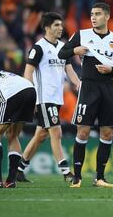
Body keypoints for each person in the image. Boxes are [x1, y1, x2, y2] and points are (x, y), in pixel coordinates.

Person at [58, 2, 113, 188]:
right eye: (91, 14)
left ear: (107, 16)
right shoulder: (82, 35)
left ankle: (100, 177)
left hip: (107, 88)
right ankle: (77, 177)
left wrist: (111, 69)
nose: (93, 17)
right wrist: (74, 50)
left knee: (107, 131)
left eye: (97, 14)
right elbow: (61, 52)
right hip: (88, 88)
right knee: (83, 130)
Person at [16, 12, 80, 182]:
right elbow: (28, 72)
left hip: (57, 98)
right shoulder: (38, 48)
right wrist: (29, 96)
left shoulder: (62, 47)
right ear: (47, 28)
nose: (61, 28)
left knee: (40, 135)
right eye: (57, 25)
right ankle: (66, 172)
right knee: (56, 132)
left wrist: (78, 83)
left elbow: (69, 70)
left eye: (61, 25)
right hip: (43, 98)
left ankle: (19, 169)